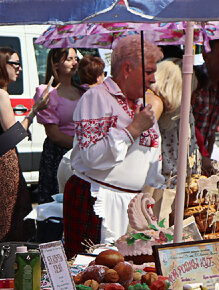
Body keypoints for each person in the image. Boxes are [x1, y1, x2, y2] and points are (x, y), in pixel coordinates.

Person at [64, 34, 162, 254]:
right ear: (127, 69)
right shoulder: (96, 97)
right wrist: (134, 129)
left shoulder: (140, 103)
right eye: (148, 72)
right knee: (95, 275)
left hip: (132, 206)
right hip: (99, 202)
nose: (153, 79)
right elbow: (92, 156)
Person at [0, 47, 48, 258]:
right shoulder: (0, 94)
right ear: (1, 65)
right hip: (3, 163)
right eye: (14, 64)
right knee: (4, 220)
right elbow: (14, 135)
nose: (19, 68)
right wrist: (35, 110)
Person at [34, 48, 82, 203]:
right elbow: (54, 134)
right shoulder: (48, 92)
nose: (74, 63)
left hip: (81, 155)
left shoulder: (84, 91)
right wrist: (82, 145)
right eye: (69, 59)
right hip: (58, 156)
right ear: (55, 64)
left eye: (76, 59)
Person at [192, 36, 219, 173]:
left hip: (202, 158)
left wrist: (207, 157)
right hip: (181, 158)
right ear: (206, 55)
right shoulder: (193, 81)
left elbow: (212, 130)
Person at [147, 58, 197, 181]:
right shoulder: (182, 110)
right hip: (170, 182)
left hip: (149, 180)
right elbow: (191, 149)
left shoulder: (145, 101)